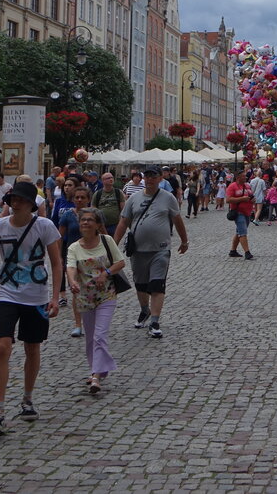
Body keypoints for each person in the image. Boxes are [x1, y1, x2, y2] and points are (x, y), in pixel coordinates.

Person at [0, 180, 62, 436]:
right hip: (7, 292)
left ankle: (27, 399)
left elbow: (56, 263)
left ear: (31, 204)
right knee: (2, 346)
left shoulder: (44, 226)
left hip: (36, 295)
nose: (15, 203)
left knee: (32, 347)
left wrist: (55, 296)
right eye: (12, 199)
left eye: (20, 200)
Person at [113, 167, 189, 339]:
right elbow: (124, 222)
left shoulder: (168, 198)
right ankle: (144, 310)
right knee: (141, 285)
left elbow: (177, 220)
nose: (149, 180)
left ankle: (155, 321)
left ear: (160, 178)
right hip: (138, 249)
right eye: (147, 177)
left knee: (157, 284)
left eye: (153, 177)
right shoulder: (134, 198)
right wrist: (113, 244)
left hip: (161, 249)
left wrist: (184, 241)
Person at [66, 207, 126, 394]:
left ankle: (95, 376)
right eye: (83, 220)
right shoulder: (74, 247)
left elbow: (120, 262)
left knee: (100, 335)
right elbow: (70, 268)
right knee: (91, 338)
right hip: (84, 298)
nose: (85, 223)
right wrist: (72, 281)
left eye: (90, 220)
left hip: (106, 295)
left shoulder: (106, 242)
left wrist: (105, 273)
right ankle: (99, 368)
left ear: (98, 224)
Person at [56, 187, 91, 335]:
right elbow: (59, 237)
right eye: (77, 197)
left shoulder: (94, 215)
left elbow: (102, 234)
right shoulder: (68, 216)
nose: (79, 200)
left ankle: (91, 321)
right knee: (77, 291)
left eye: (83, 197)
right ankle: (78, 324)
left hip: (91, 256)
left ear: (88, 199)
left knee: (91, 290)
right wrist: (58, 256)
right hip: (73, 256)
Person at [225, 171, 255, 259]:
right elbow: (228, 200)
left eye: (245, 176)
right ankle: (247, 253)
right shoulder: (232, 186)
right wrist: (241, 199)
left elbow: (251, 195)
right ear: (238, 178)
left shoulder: (247, 186)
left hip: (247, 212)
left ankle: (233, 251)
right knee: (243, 232)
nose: (245, 178)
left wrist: (253, 199)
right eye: (243, 176)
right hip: (238, 212)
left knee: (239, 231)